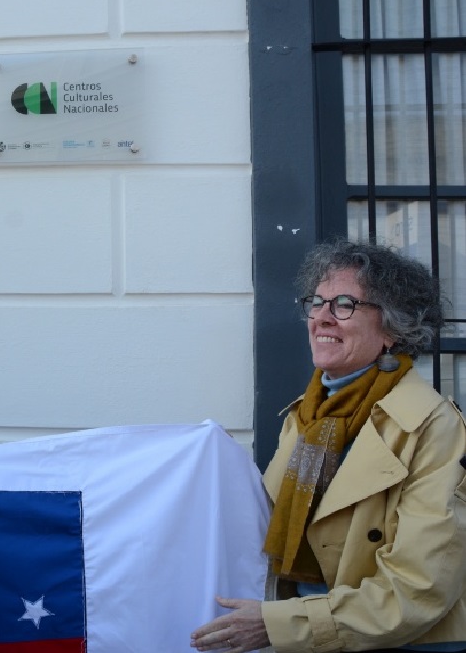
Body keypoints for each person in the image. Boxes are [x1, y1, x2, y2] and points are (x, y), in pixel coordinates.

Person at [192, 240, 466, 653]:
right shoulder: (305, 416)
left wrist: (280, 626)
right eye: (316, 302)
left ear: (393, 329)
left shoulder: (433, 426)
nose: (321, 317)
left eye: (344, 305)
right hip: (308, 637)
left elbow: (418, 588)